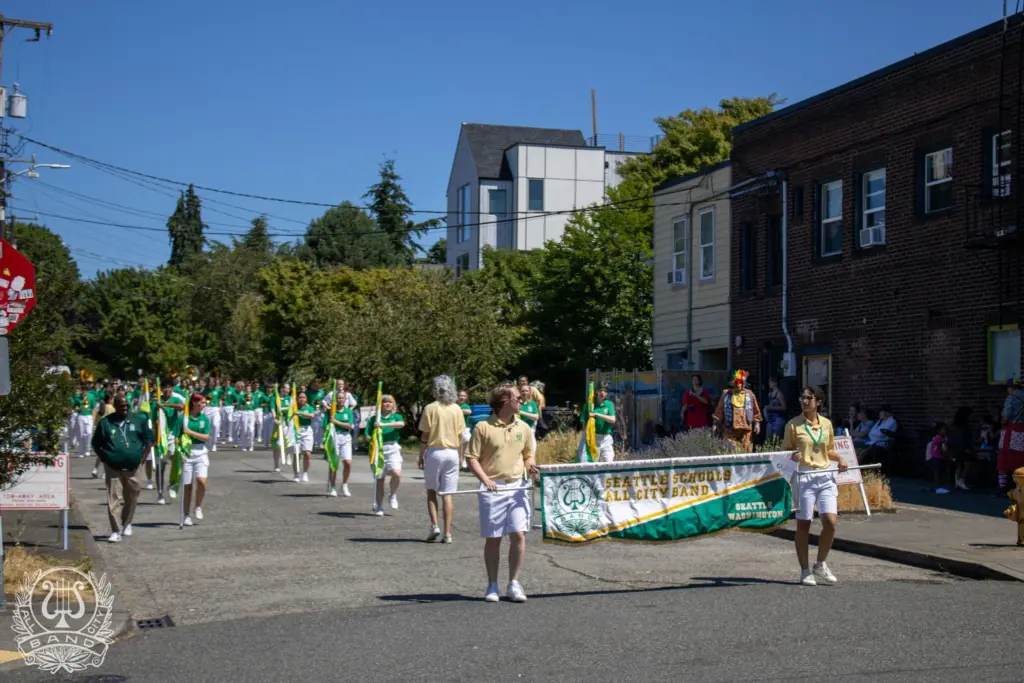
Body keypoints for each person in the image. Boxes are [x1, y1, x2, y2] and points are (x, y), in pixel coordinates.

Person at [465, 382, 538, 603]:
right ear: (504, 401)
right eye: (517, 398)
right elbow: (471, 458)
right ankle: (492, 584)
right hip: (492, 488)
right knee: (494, 538)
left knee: (518, 534)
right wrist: (485, 480)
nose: (521, 401)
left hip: (517, 487)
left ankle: (514, 583)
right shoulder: (482, 427)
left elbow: (528, 455)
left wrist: (531, 468)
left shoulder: (523, 428)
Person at [783, 385, 848, 586]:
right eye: (802, 398)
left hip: (825, 475)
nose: (804, 401)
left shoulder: (827, 424)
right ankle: (804, 570)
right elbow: (785, 454)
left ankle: (820, 564)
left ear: (818, 402)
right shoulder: (793, 425)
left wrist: (841, 459)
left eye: (808, 398)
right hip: (804, 477)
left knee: (830, 521)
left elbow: (828, 450)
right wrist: (792, 457)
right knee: (804, 524)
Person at [91, 395, 155, 543]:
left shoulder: (139, 420)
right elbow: (96, 443)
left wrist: (142, 459)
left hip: (134, 467)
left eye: (127, 405)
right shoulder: (106, 423)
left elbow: (150, 441)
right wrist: (105, 458)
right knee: (113, 499)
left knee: (132, 497)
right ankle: (115, 530)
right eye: (121, 406)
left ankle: (127, 522)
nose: (125, 408)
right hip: (113, 467)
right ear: (115, 406)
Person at [418, 375, 466, 543]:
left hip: (435, 451)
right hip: (452, 452)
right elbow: (461, 435)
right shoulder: (457, 409)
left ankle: (434, 525)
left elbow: (425, 434)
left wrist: (421, 455)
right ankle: (448, 533)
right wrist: (461, 455)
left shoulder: (430, 408)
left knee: (431, 491)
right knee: (447, 494)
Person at [365, 394, 405, 514]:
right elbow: (367, 435)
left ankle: (392, 494)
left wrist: (383, 425)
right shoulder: (373, 419)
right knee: (380, 479)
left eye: (390, 402)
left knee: (396, 473)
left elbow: (401, 424)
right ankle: (379, 506)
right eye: (385, 402)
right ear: (380, 404)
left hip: (392, 447)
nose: (387, 404)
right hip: (378, 449)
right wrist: (373, 439)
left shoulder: (396, 416)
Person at [180, 393, 213, 526]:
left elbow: (206, 437)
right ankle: (186, 515)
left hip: (201, 452)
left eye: (205, 403)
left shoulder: (205, 419)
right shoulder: (183, 418)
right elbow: (177, 435)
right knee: (187, 487)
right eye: (202, 402)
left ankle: (198, 506)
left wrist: (190, 432)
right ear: (194, 403)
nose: (204, 405)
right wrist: (180, 452)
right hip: (186, 453)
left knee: (201, 481)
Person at [576, 383, 616, 462]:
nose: (602, 393)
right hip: (592, 438)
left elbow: (612, 420)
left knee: (609, 462)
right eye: (601, 390)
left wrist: (597, 414)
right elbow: (583, 422)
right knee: (591, 463)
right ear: (596, 391)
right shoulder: (589, 405)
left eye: (605, 391)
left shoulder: (609, 404)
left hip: (606, 438)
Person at [326, 391, 354, 496]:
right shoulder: (332, 411)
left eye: (342, 398)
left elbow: (349, 426)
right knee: (334, 463)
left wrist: (336, 422)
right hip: (334, 436)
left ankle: (344, 485)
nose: (341, 400)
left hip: (345, 437)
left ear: (345, 400)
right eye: (338, 398)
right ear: (336, 400)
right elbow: (326, 424)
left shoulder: (348, 412)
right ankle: (332, 487)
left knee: (347, 462)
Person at [294, 392, 317, 483]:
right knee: (296, 454)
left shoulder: (309, 408)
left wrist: (299, 413)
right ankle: (296, 473)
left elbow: (312, 416)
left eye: (303, 397)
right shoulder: (294, 407)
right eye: (300, 397)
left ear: (306, 399)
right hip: (297, 429)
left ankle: (305, 473)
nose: (301, 399)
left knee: (307, 453)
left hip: (307, 430)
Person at [926, 422, 950, 494]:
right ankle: (936, 487)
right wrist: (945, 454)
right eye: (943, 429)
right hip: (936, 457)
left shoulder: (945, 438)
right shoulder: (937, 437)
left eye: (946, 429)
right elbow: (939, 448)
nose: (945, 431)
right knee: (936, 472)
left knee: (941, 472)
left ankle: (939, 486)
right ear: (939, 430)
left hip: (942, 457)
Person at [764, 377, 787, 442]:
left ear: (775, 383)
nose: (769, 384)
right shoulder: (770, 394)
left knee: (777, 440)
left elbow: (784, 407)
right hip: (770, 419)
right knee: (768, 439)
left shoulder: (779, 394)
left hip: (778, 419)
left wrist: (772, 408)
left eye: (770, 382)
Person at [458, 389, 473, 471]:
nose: (462, 397)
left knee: (468, 439)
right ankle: (460, 460)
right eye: (461, 395)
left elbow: (469, 411)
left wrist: (457, 410)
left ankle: (464, 460)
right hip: (455, 429)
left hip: (465, 428)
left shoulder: (465, 406)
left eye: (464, 396)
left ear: (466, 398)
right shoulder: (455, 405)